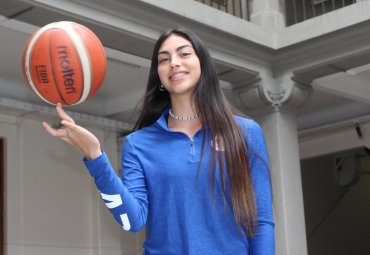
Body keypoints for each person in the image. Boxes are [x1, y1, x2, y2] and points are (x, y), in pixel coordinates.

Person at [43, 28, 275, 255]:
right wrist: (94, 155)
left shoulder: (244, 132)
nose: (174, 62)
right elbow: (131, 221)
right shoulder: (138, 144)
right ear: (160, 76)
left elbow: (262, 221)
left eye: (184, 54)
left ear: (202, 65)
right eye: (164, 59)